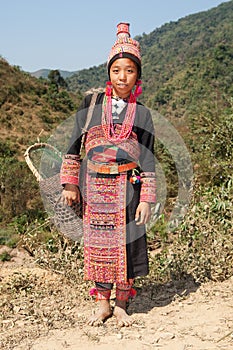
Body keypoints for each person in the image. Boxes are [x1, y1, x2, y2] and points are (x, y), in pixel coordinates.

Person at [60, 22, 156, 327]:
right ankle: (102, 303)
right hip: (96, 186)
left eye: (129, 71)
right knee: (99, 245)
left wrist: (146, 198)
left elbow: (150, 160)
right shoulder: (90, 105)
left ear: (137, 76)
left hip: (128, 187)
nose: (123, 77)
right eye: (117, 70)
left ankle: (122, 305)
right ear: (109, 73)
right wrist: (70, 183)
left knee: (127, 244)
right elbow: (74, 144)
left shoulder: (142, 114)